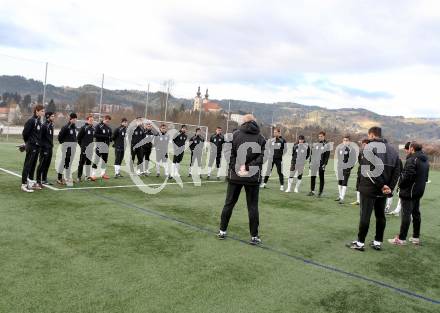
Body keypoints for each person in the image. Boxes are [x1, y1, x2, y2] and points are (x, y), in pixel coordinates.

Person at [347, 126, 401, 251]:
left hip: (370, 188)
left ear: (371, 135)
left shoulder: (369, 148)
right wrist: (389, 187)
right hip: (383, 191)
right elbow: (397, 171)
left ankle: (360, 243)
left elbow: (369, 171)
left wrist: (382, 186)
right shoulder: (393, 150)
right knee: (380, 216)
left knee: (365, 216)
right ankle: (377, 242)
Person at [218, 114, 266, 245]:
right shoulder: (261, 138)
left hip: (235, 176)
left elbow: (228, 154)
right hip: (252, 177)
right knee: (252, 207)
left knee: (229, 203)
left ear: (243, 122)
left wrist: (237, 167)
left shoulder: (235, 135)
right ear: (254, 122)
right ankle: (254, 236)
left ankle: (222, 230)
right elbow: (263, 157)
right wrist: (248, 167)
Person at [388, 142, 429, 246]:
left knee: (406, 214)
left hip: (409, 191)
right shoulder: (425, 160)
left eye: (409, 148)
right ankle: (416, 237)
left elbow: (407, 176)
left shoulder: (412, 159)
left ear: (412, 149)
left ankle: (401, 239)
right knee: (416, 213)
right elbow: (426, 177)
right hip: (419, 191)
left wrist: (400, 185)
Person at [21, 104, 44, 192]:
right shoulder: (31, 121)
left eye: (43, 111)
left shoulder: (38, 121)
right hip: (32, 146)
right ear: (37, 111)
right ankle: (23, 184)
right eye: (42, 111)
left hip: (37, 146)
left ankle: (29, 182)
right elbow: (25, 133)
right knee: (27, 164)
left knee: (33, 165)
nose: (43, 112)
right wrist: (28, 143)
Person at [386, 142, 411, 216]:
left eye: (406, 149)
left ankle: (391, 208)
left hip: (403, 180)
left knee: (400, 194)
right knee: (400, 194)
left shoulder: (410, 158)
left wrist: (401, 180)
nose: (405, 151)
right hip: (399, 179)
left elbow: (401, 171)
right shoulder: (409, 157)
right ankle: (395, 209)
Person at [335, 135, 357, 204]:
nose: (345, 142)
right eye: (344, 140)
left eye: (346, 140)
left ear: (349, 141)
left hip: (346, 169)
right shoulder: (340, 148)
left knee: (344, 183)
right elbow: (339, 158)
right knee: (340, 182)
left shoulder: (352, 149)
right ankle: (340, 195)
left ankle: (342, 198)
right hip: (340, 168)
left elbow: (354, 160)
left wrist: (349, 168)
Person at [308, 131, 330, 197]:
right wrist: (310, 162)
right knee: (313, 177)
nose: (320, 137)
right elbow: (312, 154)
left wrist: (325, 164)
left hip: (321, 164)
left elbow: (327, 156)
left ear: (324, 136)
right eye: (319, 136)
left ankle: (320, 192)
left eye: (321, 136)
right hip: (314, 163)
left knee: (321, 178)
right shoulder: (316, 144)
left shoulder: (327, 145)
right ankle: (312, 191)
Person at [57, 113, 78, 186]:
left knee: (69, 163)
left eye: (76, 119)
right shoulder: (66, 127)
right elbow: (60, 137)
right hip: (66, 148)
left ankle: (68, 178)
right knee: (63, 162)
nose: (75, 120)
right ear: (70, 119)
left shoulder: (74, 127)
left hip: (73, 148)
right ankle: (59, 178)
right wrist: (64, 144)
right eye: (74, 118)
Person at [36, 111, 55, 187]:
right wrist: (43, 147)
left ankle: (44, 179)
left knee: (47, 164)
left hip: (50, 148)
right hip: (44, 149)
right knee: (42, 164)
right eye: (52, 116)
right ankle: (38, 180)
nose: (53, 117)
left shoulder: (51, 125)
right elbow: (40, 137)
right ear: (48, 117)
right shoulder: (44, 126)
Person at [92, 115, 112, 180]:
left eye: (108, 121)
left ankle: (103, 174)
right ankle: (93, 174)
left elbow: (110, 137)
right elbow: (95, 134)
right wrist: (104, 137)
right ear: (104, 119)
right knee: (96, 160)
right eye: (106, 121)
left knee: (104, 160)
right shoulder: (98, 126)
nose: (107, 122)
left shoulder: (109, 128)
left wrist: (110, 140)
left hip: (106, 146)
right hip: (99, 145)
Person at [350, 138, 369, 205]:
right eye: (363, 144)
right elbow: (359, 160)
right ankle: (358, 200)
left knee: (366, 186)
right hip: (360, 169)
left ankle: (365, 200)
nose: (363, 146)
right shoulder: (360, 152)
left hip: (367, 171)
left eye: (365, 144)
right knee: (358, 185)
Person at [76, 114, 95, 182]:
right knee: (82, 162)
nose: (91, 121)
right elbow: (78, 138)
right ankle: (79, 177)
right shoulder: (84, 128)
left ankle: (87, 176)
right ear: (87, 120)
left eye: (92, 120)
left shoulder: (93, 128)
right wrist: (82, 146)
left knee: (88, 163)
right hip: (84, 148)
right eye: (90, 120)